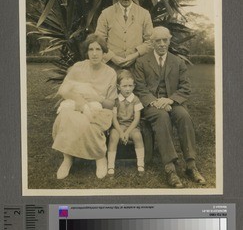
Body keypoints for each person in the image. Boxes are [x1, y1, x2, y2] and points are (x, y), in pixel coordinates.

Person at [133, 26, 206, 188]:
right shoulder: (142, 62)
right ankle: (170, 168)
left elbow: (185, 87)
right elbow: (139, 87)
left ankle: (190, 164)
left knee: (184, 116)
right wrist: (154, 101)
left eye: (164, 40)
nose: (161, 44)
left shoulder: (177, 61)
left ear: (169, 40)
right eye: (157, 41)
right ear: (151, 43)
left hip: (172, 101)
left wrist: (170, 100)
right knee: (162, 116)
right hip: (152, 105)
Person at [52, 34, 117, 180]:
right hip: (77, 105)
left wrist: (97, 98)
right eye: (91, 49)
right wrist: (79, 101)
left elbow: (111, 103)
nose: (94, 53)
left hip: (99, 110)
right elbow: (63, 90)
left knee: (89, 123)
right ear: (86, 52)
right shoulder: (78, 67)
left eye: (98, 49)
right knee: (65, 116)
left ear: (104, 51)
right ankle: (67, 158)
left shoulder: (110, 73)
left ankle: (100, 157)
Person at [95, 0, 153, 69]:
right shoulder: (106, 14)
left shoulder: (144, 14)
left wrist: (135, 55)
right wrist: (113, 57)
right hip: (110, 66)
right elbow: (98, 40)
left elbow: (150, 41)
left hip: (137, 66)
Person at [107, 70, 145, 176]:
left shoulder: (136, 100)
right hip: (118, 126)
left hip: (131, 126)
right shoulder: (115, 100)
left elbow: (137, 118)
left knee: (137, 136)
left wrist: (127, 132)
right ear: (119, 87)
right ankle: (110, 165)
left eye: (130, 86)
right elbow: (114, 118)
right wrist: (120, 131)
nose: (128, 89)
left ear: (134, 86)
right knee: (113, 136)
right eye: (124, 86)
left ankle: (140, 163)